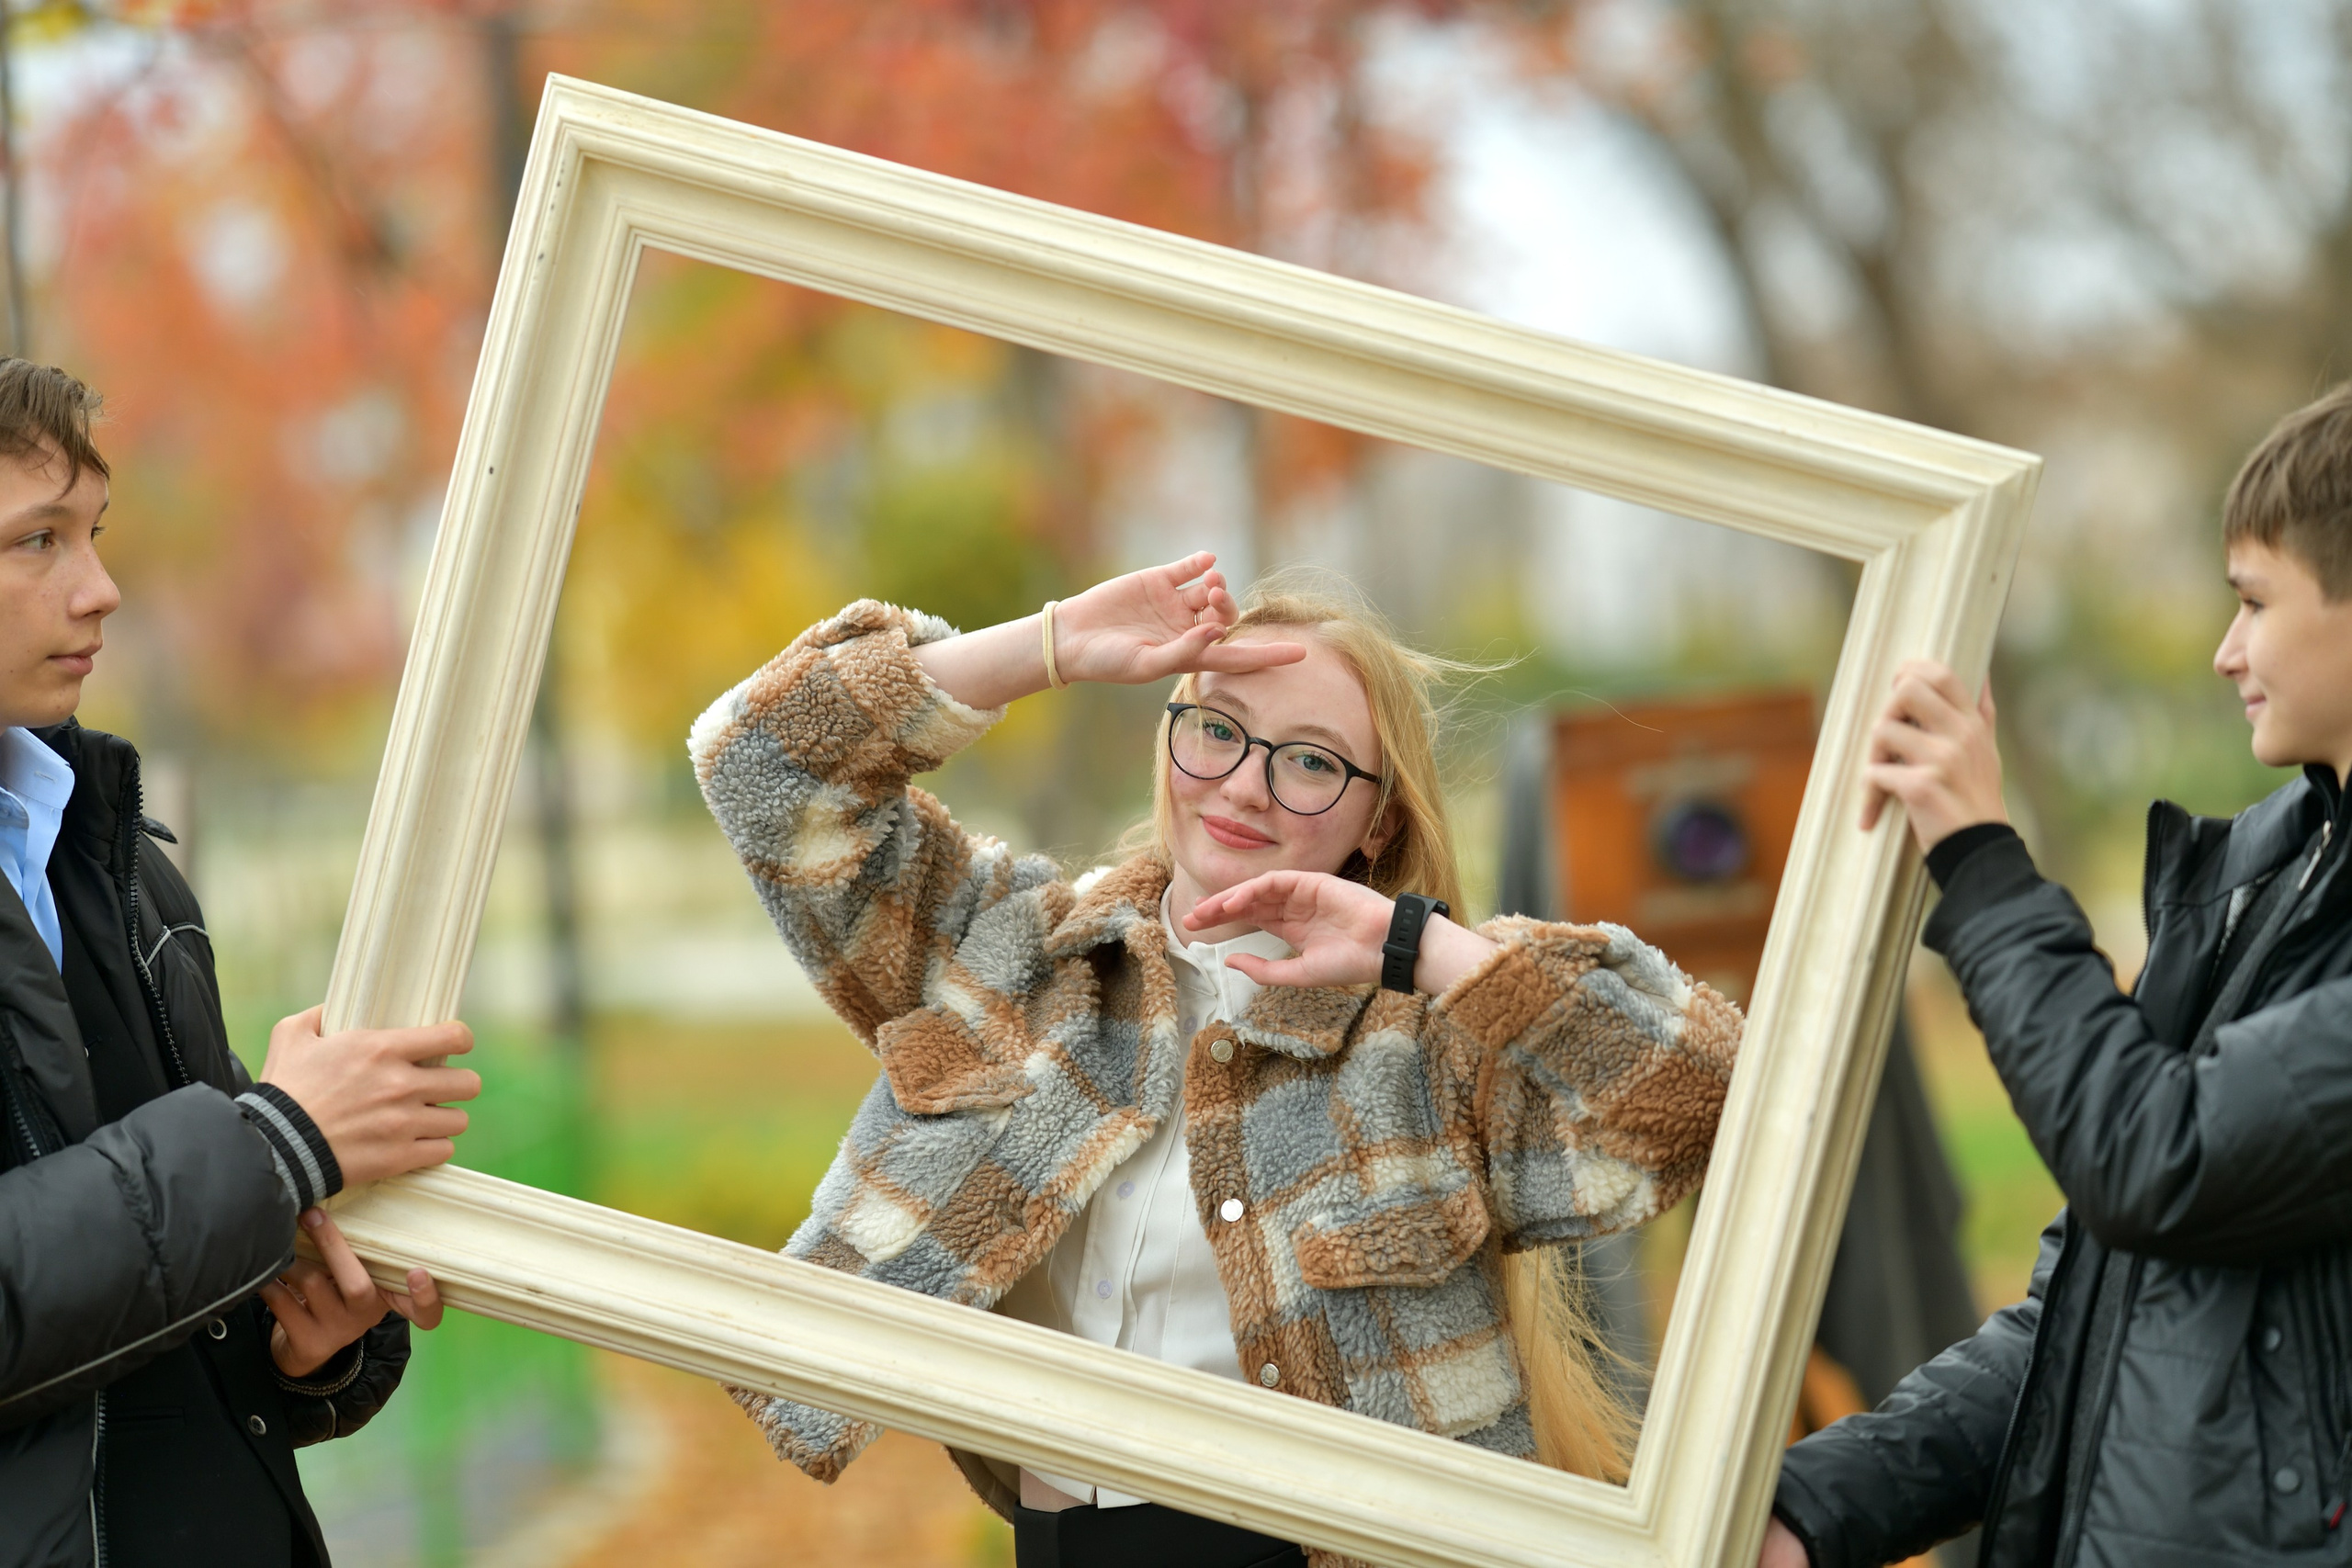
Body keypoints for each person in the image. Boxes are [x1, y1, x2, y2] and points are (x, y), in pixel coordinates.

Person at [689, 556, 1744, 1568]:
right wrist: (1048, 646)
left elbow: (1710, 1102)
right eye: (1218, 730)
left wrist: (1422, 947)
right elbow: (756, 765)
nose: (1246, 787)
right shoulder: (1012, 956)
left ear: (1375, 821)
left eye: (1312, 761)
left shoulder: (1429, 1046)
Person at [1761, 381, 2352, 1568]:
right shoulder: (2271, 874)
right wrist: (1810, 1507)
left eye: (2252, 601)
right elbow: (2097, 1299)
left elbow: (2153, 1154)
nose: (2224, 649)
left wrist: (1981, 863)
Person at [0, 359, 482, 1567]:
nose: (101, 588)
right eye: (38, 540)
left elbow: (173, 1299)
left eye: (95, 532)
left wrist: (303, 1340)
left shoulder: (117, 859)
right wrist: (274, 1141)